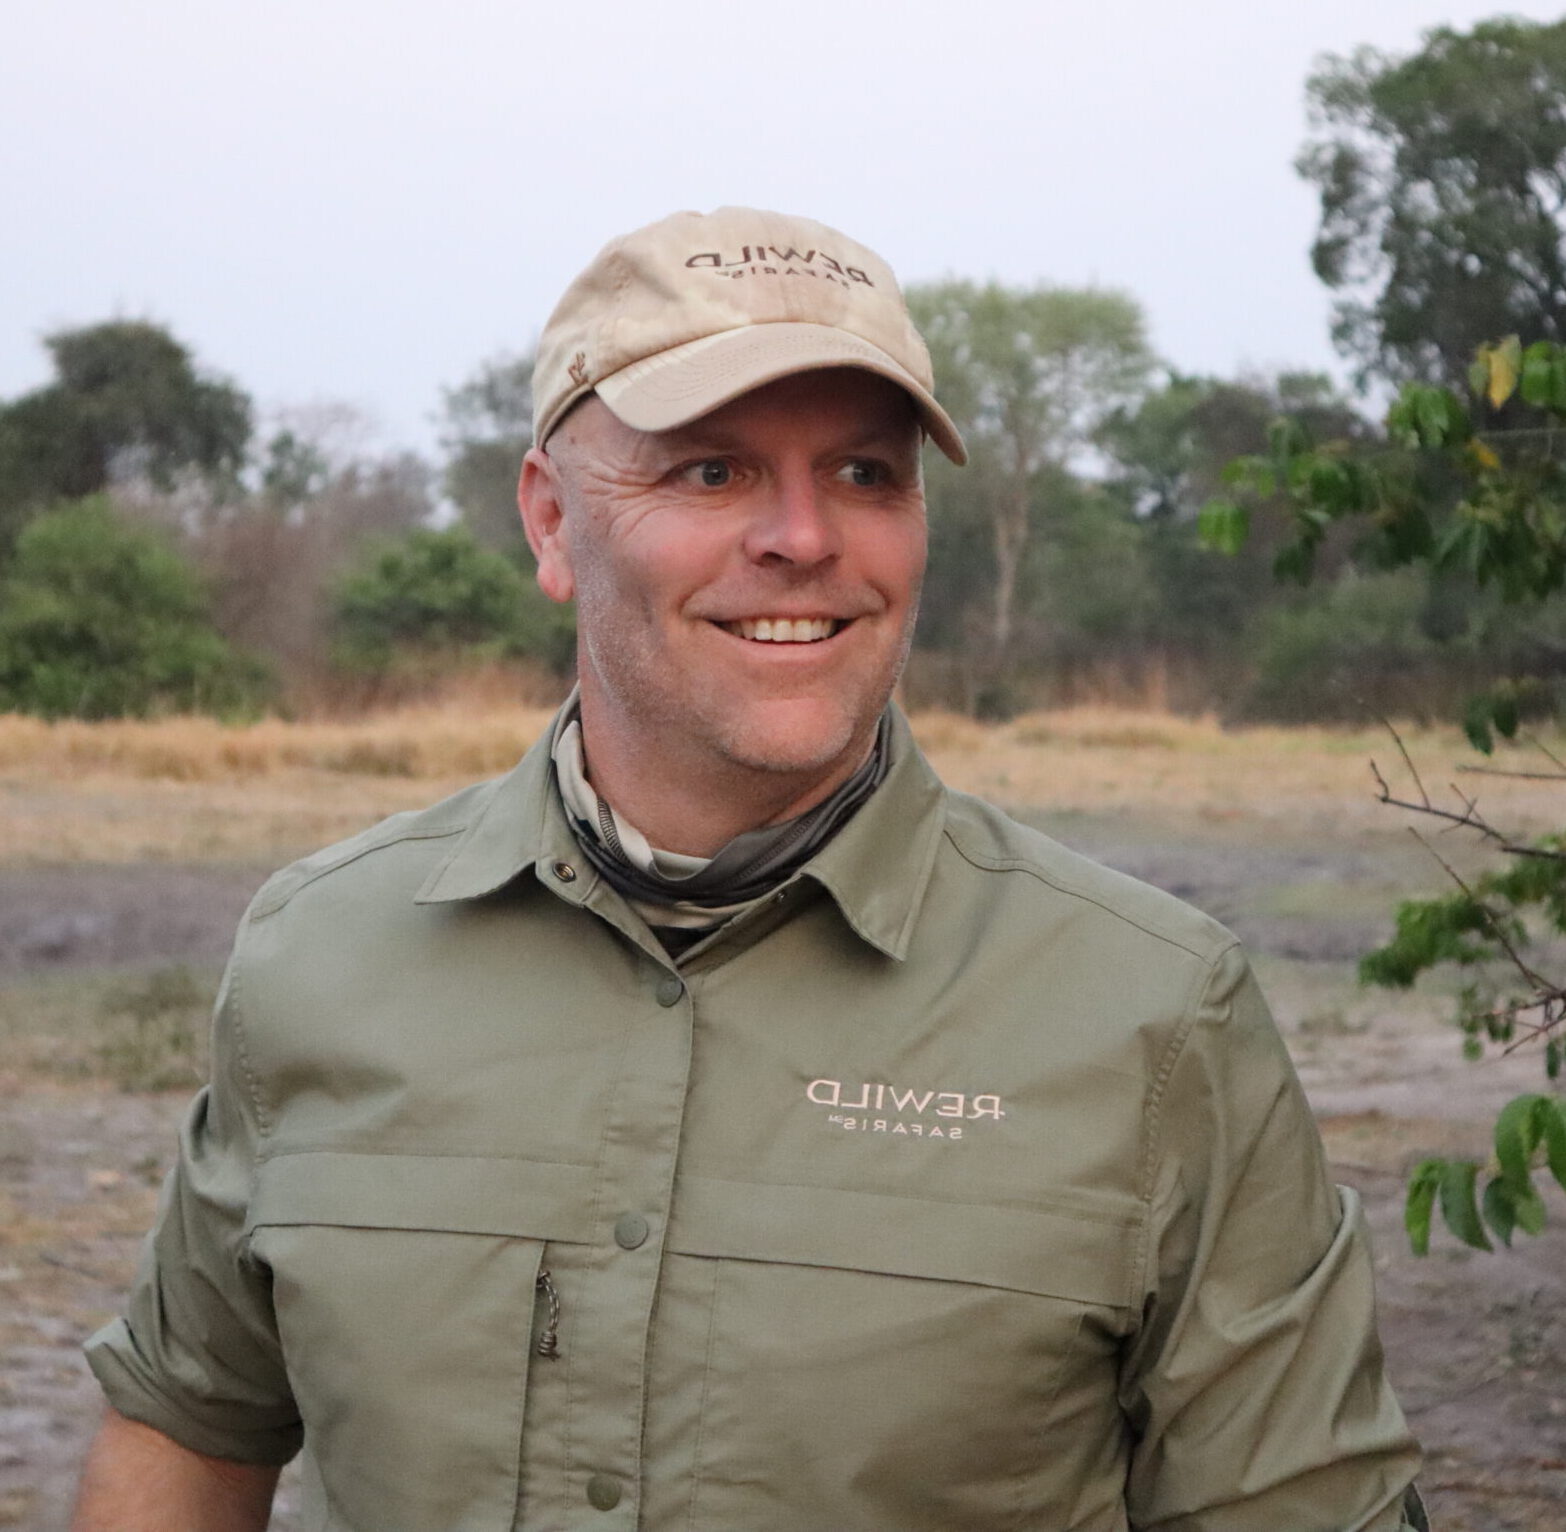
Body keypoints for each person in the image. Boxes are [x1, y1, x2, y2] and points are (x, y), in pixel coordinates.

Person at [73, 206, 1426, 1531]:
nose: (802, 538)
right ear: (550, 522)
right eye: (709, 471)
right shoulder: (320, 950)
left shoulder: (1153, 1019)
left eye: (863, 474)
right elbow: (189, 1421)